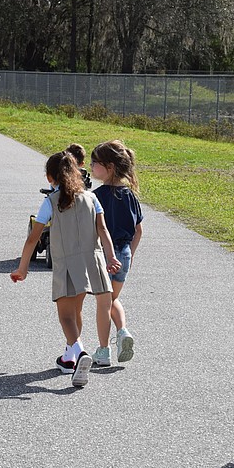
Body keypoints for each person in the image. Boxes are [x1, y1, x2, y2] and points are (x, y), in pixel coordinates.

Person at [10, 151, 121, 388]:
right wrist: (111, 257)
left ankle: (80, 352)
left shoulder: (50, 201)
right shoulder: (92, 198)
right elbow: (103, 230)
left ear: (51, 177)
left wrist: (23, 268)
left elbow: (33, 239)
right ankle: (69, 358)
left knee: (66, 315)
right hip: (91, 263)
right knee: (76, 310)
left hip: (66, 264)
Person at [88, 140, 143, 366]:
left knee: (103, 303)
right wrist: (129, 254)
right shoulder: (130, 195)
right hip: (124, 254)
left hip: (103, 256)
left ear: (109, 167)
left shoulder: (96, 196)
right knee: (113, 298)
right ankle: (122, 331)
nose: (91, 167)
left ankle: (103, 350)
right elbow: (138, 231)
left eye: (95, 163)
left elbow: (93, 229)